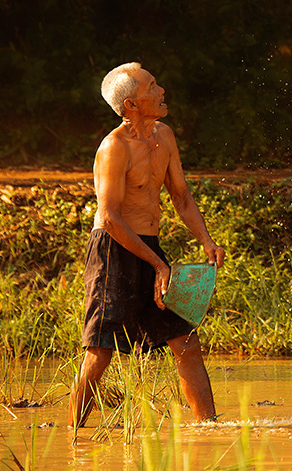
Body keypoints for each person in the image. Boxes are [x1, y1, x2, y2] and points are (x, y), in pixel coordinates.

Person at [70, 62, 226, 433]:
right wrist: (159, 266)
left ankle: (211, 431)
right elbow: (109, 217)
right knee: (100, 350)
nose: (161, 91)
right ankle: (73, 436)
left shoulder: (164, 135)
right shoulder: (114, 148)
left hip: (150, 247)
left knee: (185, 339)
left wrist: (206, 240)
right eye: (152, 87)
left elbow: (181, 195)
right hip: (113, 249)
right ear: (131, 105)